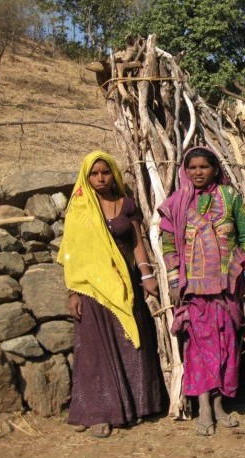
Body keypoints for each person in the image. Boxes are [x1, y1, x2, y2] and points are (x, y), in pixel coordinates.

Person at [59, 151, 164, 438]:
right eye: (94, 174)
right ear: (86, 176)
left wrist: (146, 275)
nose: (100, 178)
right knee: (94, 352)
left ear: (113, 173)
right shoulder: (79, 209)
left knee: (132, 342)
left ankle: (137, 407)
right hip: (91, 289)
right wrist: (73, 292)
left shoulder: (126, 205)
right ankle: (98, 413)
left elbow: (137, 243)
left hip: (124, 285)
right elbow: (72, 254)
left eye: (105, 172)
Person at [158, 146, 245, 436]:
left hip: (227, 287)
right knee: (200, 349)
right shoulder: (178, 203)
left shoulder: (230, 197)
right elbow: (168, 244)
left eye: (204, 167)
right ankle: (203, 406)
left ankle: (218, 405)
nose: (198, 172)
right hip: (195, 292)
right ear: (185, 171)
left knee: (227, 346)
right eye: (193, 168)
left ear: (215, 169)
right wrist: (175, 281)